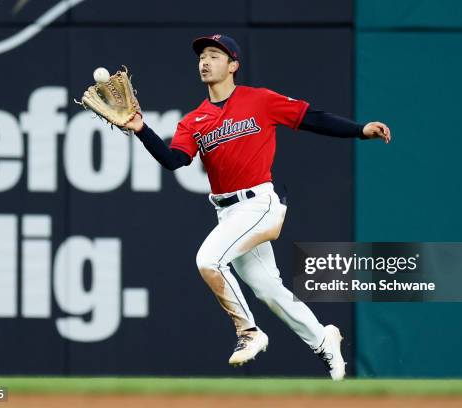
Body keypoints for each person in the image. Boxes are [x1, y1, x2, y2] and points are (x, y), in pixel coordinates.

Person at [125, 34, 391, 381]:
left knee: (208, 260)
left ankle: (248, 332)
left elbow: (312, 117)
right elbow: (175, 161)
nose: (204, 62)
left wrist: (359, 130)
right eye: (202, 57)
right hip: (228, 211)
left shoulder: (259, 100)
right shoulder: (194, 120)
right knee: (269, 289)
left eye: (214, 55)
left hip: (261, 203)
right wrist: (142, 129)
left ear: (233, 65)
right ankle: (324, 338)